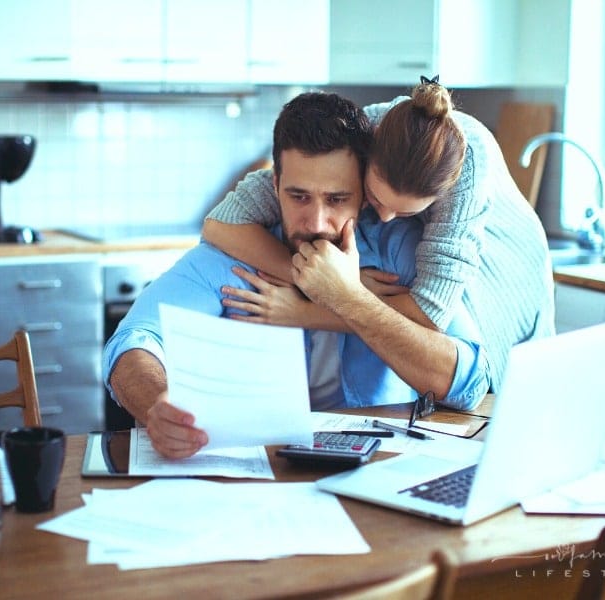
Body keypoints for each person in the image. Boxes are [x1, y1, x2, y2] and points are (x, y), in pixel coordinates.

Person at [104, 92, 490, 459]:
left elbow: (469, 382)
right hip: (253, 475)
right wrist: (157, 402)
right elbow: (134, 340)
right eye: (299, 196)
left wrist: (349, 297)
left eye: (338, 199)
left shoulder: (399, 253)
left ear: (364, 194)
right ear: (274, 187)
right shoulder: (234, 254)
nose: (317, 222)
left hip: (369, 473)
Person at [203, 77, 555, 393]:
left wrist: (320, 303)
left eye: (405, 214)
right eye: (373, 198)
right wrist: (321, 279)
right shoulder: (354, 138)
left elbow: (429, 316)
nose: (385, 218)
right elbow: (221, 224)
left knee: (509, 391)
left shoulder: (466, 166)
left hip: (512, 273)